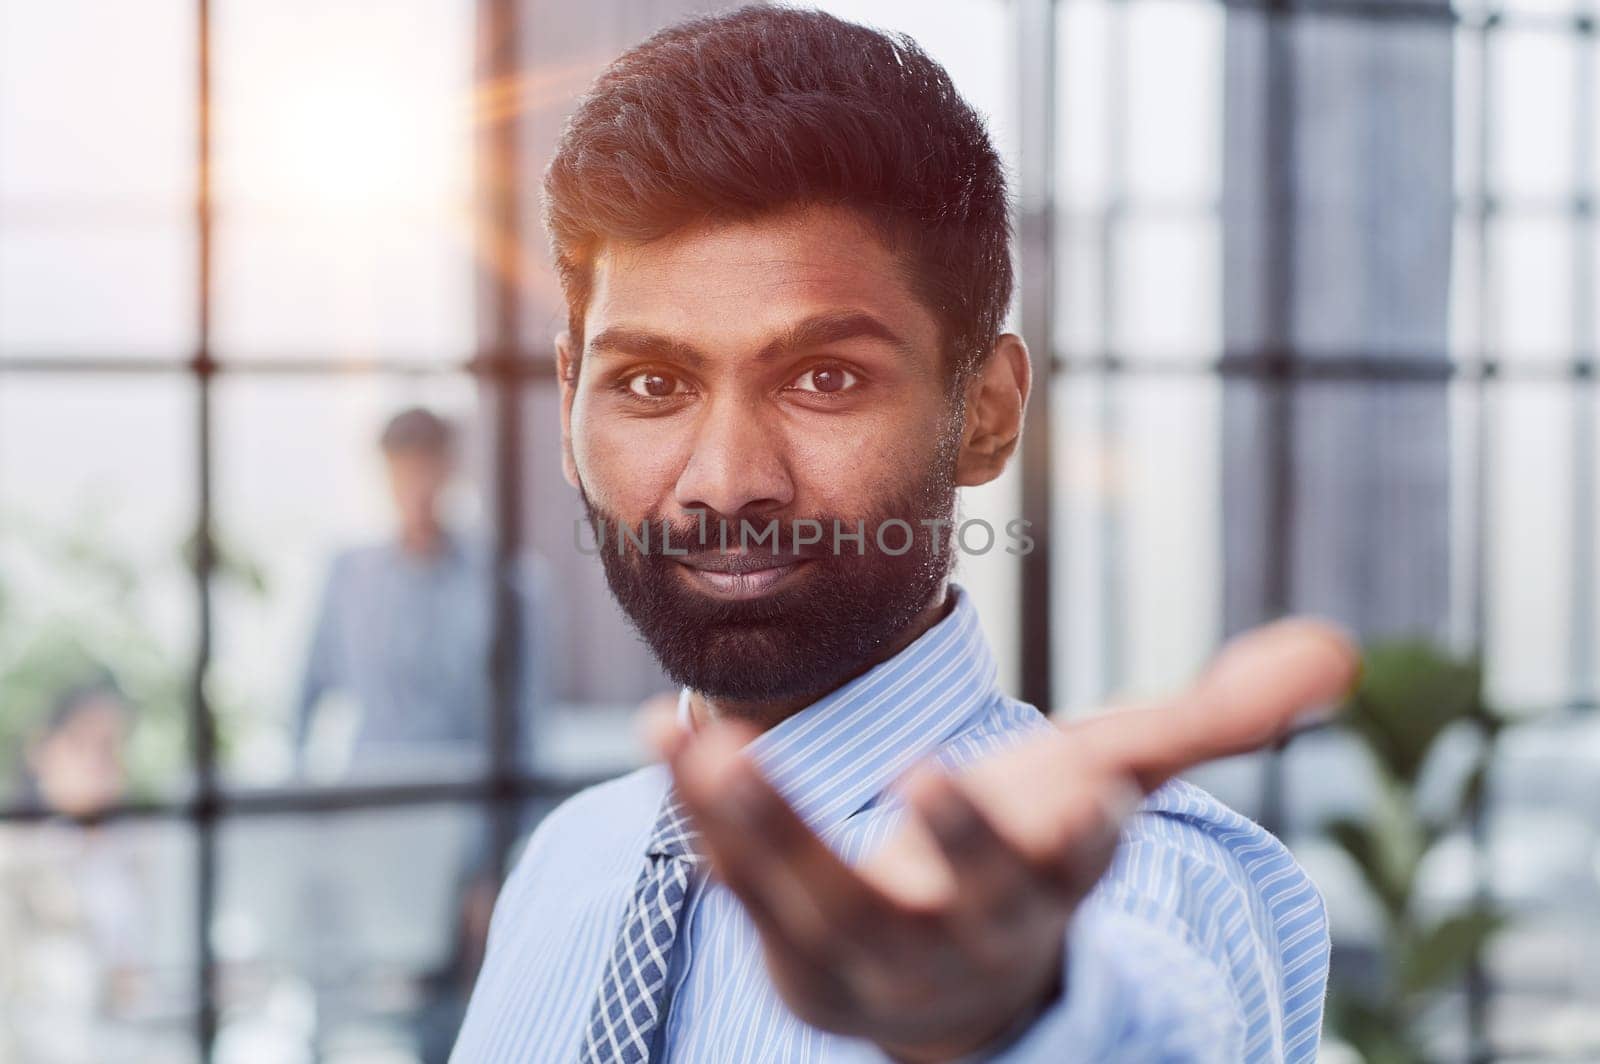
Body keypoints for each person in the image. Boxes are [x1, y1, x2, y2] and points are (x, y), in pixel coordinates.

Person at [451, 8, 1358, 1062]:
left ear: (986, 414)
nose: (727, 482)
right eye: (651, 383)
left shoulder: (1123, 883)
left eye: (824, 378)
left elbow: (1140, 1009)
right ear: (569, 402)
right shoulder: (568, 858)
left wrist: (1006, 1019)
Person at [295, 406, 548, 777]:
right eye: (402, 471)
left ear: (449, 470)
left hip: (467, 796)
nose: (415, 487)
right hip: (372, 789)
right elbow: (307, 689)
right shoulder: (348, 575)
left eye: (425, 469)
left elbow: (527, 714)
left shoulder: (506, 579)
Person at [0, 681, 164, 1063]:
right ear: (42, 750)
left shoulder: (137, 852)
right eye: (80, 745)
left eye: (109, 748)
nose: (96, 764)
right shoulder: (14, 857)